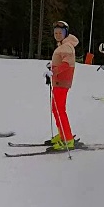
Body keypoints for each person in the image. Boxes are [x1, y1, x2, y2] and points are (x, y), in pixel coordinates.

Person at [43, 20, 79, 150]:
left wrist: (53, 71)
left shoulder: (67, 46)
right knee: (56, 108)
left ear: (66, 33)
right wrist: (51, 66)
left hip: (62, 82)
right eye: (56, 32)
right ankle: (63, 134)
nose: (57, 35)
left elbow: (66, 64)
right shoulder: (63, 45)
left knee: (60, 110)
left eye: (60, 32)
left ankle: (68, 139)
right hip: (58, 81)